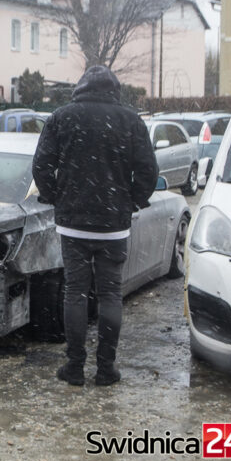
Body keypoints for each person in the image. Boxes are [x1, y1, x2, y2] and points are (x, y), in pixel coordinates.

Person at [32, 65, 158, 386]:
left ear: (80, 87)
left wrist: (54, 196)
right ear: (114, 89)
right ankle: (106, 368)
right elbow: (148, 171)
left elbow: (41, 166)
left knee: (74, 292)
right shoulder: (130, 120)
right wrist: (132, 201)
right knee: (110, 294)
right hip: (113, 225)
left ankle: (74, 367)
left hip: (73, 223)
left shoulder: (62, 117)